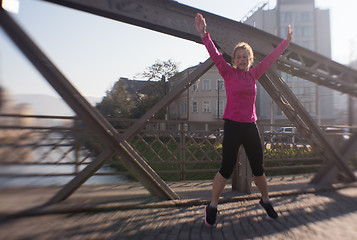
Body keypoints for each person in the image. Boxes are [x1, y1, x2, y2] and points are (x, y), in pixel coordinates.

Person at [195, 13, 293, 227]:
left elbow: (270, 58)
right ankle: (212, 205)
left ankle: (265, 200)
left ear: (250, 60)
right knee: (226, 167)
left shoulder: (255, 74)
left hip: (250, 126)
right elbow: (214, 54)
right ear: (234, 60)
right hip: (232, 125)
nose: (241, 59)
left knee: (258, 167)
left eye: (245, 57)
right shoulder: (227, 72)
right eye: (238, 56)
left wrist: (285, 43)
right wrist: (204, 35)